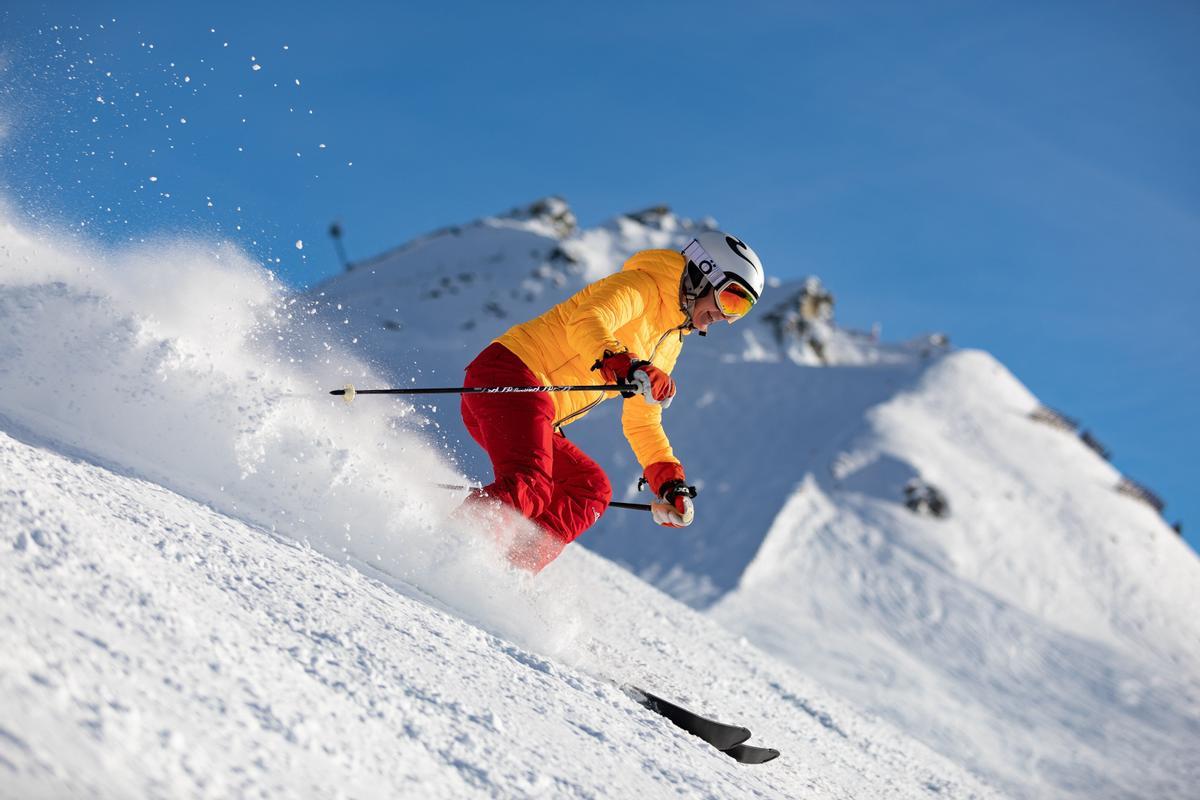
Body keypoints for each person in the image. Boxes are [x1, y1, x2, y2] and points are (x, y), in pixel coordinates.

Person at [458, 231, 765, 571]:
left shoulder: (670, 339)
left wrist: (668, 481)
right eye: (730, 300)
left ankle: (506, 571)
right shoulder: (642, 286)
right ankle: (452, 546)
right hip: (511, 374)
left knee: (589, 489)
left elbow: (642, 420)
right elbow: (587, 320)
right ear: (703, 273)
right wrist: (624, 363)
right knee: (531, 484)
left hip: (537, 410)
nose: (726, 317)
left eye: (741, 310)